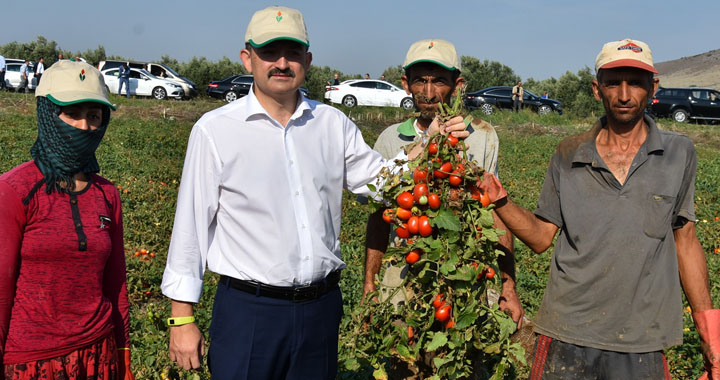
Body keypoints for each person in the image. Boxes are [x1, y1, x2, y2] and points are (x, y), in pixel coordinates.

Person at [160, 6, 468, 380]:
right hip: (249, 310)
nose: (282, 63)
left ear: (307, 60)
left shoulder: (332, 124)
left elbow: (382, 182)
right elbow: (190, 226)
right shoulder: (215, 130)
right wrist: (182, 317)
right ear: (248, 58)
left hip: (319, 309)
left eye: (292, 53)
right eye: (270, 53)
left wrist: (430, 140)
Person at [478, 38, 720, 379]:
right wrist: (500, 201)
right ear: (596, 89)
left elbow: (687, 242)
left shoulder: (679, 154)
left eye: (635, 82)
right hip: (567, 330)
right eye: (613, 83)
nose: (624, 95)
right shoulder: (568, 153)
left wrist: (711, 332)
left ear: (653, 87)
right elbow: (541, 237)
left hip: (642, 338)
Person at [362, 39, 524, 376]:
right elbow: (378, 213)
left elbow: (495, 210)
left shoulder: (481, 136)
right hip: (402, 272)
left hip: (466, 273)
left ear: (457, 86)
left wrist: (508, 286)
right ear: (406, 83)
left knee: (463, 361)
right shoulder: (392, 139)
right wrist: (370, 284)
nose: (429, 91)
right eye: (420, 80)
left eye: (439, 81)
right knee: (403, 363)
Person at [0, 60, 134, 380]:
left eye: (94, 116)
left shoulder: (107, 195)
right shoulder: (15, 190)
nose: (84, 126)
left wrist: (123, 357)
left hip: (97, 354)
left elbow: (116, 285)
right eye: (72, 113)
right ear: (47, 114)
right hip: (30, 360)